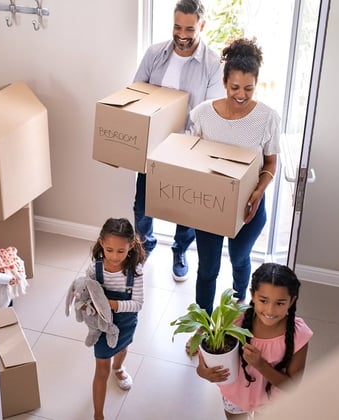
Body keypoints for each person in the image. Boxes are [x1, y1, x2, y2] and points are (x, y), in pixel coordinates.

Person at [133, 0, 225, 281]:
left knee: (185, 209)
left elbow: (209, 114)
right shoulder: (154, 54)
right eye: (176, 26)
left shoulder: (212, 64)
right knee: (142, 204)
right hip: (152, 146)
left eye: (189, 28)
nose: (181, 34)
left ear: (202, 26)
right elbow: (136, 93)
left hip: (188, 149)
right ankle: (144, 245)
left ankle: (179, 249)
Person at [188, 37, 280, 316]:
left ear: (256, 85)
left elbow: (271, 162)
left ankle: (241, 303)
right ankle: (202, 325)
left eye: (248, 89)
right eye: (235, 88)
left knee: (240, 259)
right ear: (224, 82)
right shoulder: (203, 114)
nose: (241, 95)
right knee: (208, 270)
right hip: (210, 206)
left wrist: (258, 192)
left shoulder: (267, 118)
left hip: (249, 206)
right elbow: (190, 156)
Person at [197, 263, 313, 419]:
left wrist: (261, 365)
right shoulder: (234, 319)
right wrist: (203, 371)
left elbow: (292, 386)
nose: (270, 310)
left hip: (272, 402)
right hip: (235, 395)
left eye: (279, 303)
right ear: (252, 295)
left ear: (291, 301)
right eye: (263, 300)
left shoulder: (299, 335)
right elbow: (208, 355)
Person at [86, 218, 145, 420]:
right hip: (103, 325)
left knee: (122, 347)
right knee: (101, 369)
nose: (114, 256)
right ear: (101, 243)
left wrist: (113, 304)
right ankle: (98, 415)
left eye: (121, 251)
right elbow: (87, 292)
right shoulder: (95, 269)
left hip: (126, 322)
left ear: (131, 246)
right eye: (109, 250)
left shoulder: (135, 272)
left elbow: (138, 304)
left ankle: (118, 367)